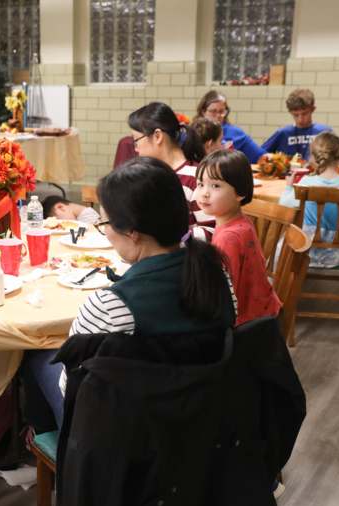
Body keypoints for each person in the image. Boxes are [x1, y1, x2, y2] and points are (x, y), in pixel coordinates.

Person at [22, 157, 236, 432]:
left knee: (37, 354)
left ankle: (43, 445)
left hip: (124, 440)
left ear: (132, 232)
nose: (105, 230)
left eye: (106, 222)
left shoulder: (111, 305)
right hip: (204, 421)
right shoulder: (216, 274)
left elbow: (72, 390)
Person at [194, 150, 281, 326]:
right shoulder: (239, 222)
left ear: (239, 193)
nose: (204, 193)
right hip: (264, 310)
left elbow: (223, 294)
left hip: (247, 324)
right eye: (200, 184)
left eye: (215, 186)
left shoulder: (229, 237)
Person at [279, 132, 339, 268]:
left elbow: (284, 204)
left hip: (306, 249)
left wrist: (289, 187)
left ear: (314, 157)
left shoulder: (307, 182)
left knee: (283, 243)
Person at [128, 102, 213, 228]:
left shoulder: (195, 178)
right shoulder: (151, 174)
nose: (136, 149)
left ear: (157, 136)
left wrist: (168, 241)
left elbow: (211, 231)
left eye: (136, 141)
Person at [196, 90, 266, 163]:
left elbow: (260, 156)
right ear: (203, 111)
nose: (218, 116)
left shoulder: (235, 133)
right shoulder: (193, 132)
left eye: (221, 111)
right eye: (213, 111)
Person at [261, 89, 332, 160]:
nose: (300, 119)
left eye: (304, 114)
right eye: (296, 115)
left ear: (313, 109)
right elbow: (261, 154)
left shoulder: (324, 132)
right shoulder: (283, 133)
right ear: (290, 112)